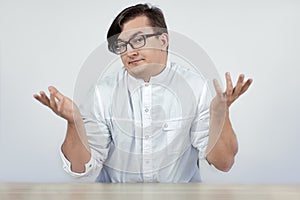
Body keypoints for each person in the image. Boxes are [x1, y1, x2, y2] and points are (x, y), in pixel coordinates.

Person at [33, 4, 252, 182]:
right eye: (122, 45)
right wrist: (74, 123)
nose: (130, 51)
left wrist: (220, 115)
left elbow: (223, 163)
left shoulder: (197, 88)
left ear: (163, 40)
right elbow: (79, 169)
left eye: (138, 40)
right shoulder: (102, 93)